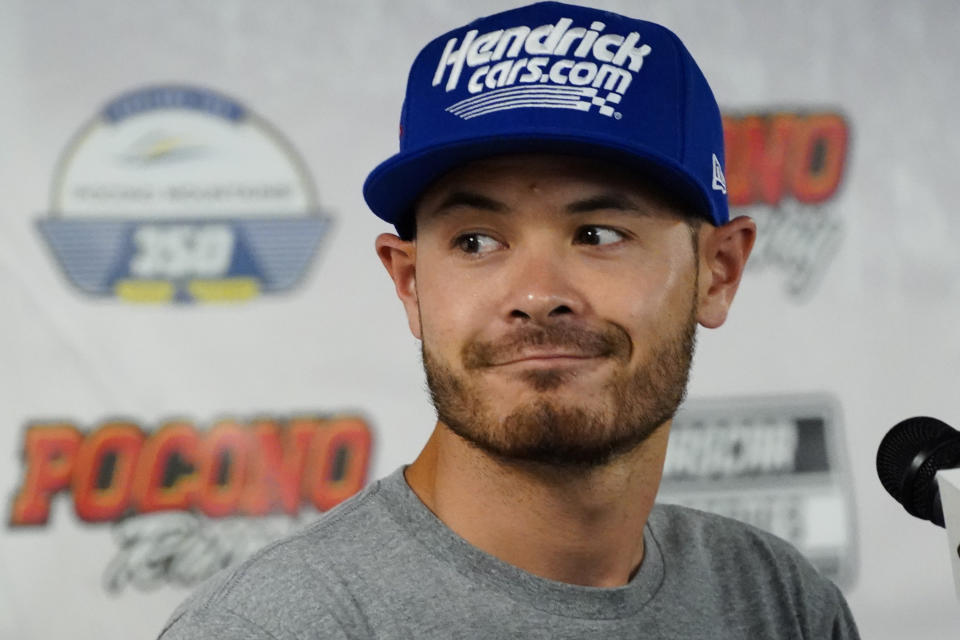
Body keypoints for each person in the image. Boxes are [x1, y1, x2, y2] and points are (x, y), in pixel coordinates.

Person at [159, 2, 860, 638]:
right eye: (476, 242)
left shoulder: (780, 603)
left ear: (720, 271)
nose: (536, 294)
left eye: (598, 233)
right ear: (409, 285)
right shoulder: (276, 629)